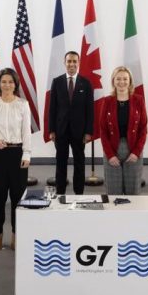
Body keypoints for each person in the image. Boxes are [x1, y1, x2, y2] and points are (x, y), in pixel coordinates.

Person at [0, 68, 32, 251]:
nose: (7, 85)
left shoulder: (23, 105)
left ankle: (16, 234)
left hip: (18, 154)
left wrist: (27, 153)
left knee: (18, 198)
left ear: (15, 84)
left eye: (10, 82)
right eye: (3, 81)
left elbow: (26, 131)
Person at [48, 51, 94, 195]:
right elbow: (52, 108)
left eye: (74, 61)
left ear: (78, 63)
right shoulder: (57, 82)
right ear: (64, 62)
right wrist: (51, 130)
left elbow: (90, 109)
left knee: (79, 163)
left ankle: (78, 194)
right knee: (61, 163)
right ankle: (60, 192)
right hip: (60, 130)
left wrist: (88, 132)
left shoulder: (86, 83)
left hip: (79, 132)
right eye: (69, 61)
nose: (72, 64)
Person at [99, 66, 148, 195]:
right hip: (112, 149)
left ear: (130, 81)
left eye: (125, 79)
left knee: (133, 192)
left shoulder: (139, 100)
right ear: (113, 81)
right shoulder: (107, 101)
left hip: (133, 149)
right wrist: (110, 155)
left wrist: (136, 152)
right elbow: (103, 130)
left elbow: (143, 129)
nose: (122, 82)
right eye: (118, 79)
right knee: (113, 191)